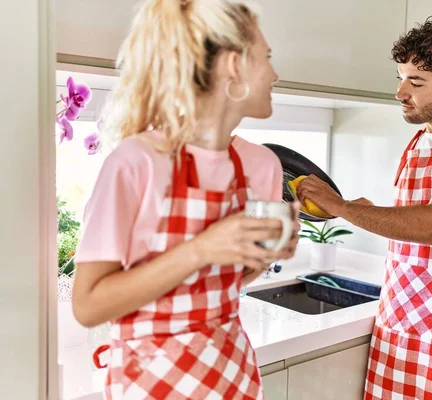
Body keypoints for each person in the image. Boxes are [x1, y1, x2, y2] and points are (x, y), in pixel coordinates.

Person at [71, 0, 299, 398]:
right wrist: (203, 248)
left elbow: (224, 284)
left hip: (232, 375)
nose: (276, 75)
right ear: (233, 66)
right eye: (267, 58)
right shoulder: (137, 163)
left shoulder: (261, 166)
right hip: (152, 381)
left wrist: (262, 256)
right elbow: (89, 305)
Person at [297, 17, 432, 400]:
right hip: (401, 320)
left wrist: (343, 207)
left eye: (416, 82)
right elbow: (409, 220)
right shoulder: (419, 142)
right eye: (400, 77)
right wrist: (353, 209)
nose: (400, 91)